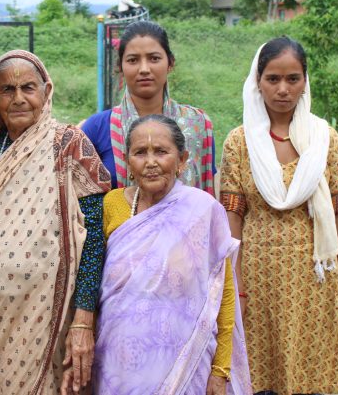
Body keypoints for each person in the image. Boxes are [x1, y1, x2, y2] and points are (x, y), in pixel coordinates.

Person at [0, 50, 111, 394]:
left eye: (28, 88)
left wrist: (83, 319)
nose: (19, 98)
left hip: (53, 322)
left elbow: (95, 238)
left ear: (46, 91)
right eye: (7, 90)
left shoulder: (69, 145)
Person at [220, 37, 338, 395]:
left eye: (293, 79)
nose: (282, 89)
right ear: (257, 81)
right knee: (257, 377)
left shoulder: (324, 139)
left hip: (316, 279)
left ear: (304, 82)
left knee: (309, 376)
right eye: (273, 79)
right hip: (257, 278)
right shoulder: (240, 142)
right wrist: (236, 288)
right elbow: (233, 218)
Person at [82, 114, 251, 395]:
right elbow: (92, 278)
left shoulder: (203, 211)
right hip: (117, 363)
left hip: (185, 363)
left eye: (161, 151)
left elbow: (222, 294)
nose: (150, 162)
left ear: (182, 159)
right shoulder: (112, 204)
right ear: (127, 161)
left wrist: (220, 371)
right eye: (140, 152)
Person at [81, 20, 216, 194]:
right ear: (120, 67)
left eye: (154, 58)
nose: (144, 69)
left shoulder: (198, 124)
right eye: (133, 60)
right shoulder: (97, 127)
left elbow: (207, 195)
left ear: (170, 63)